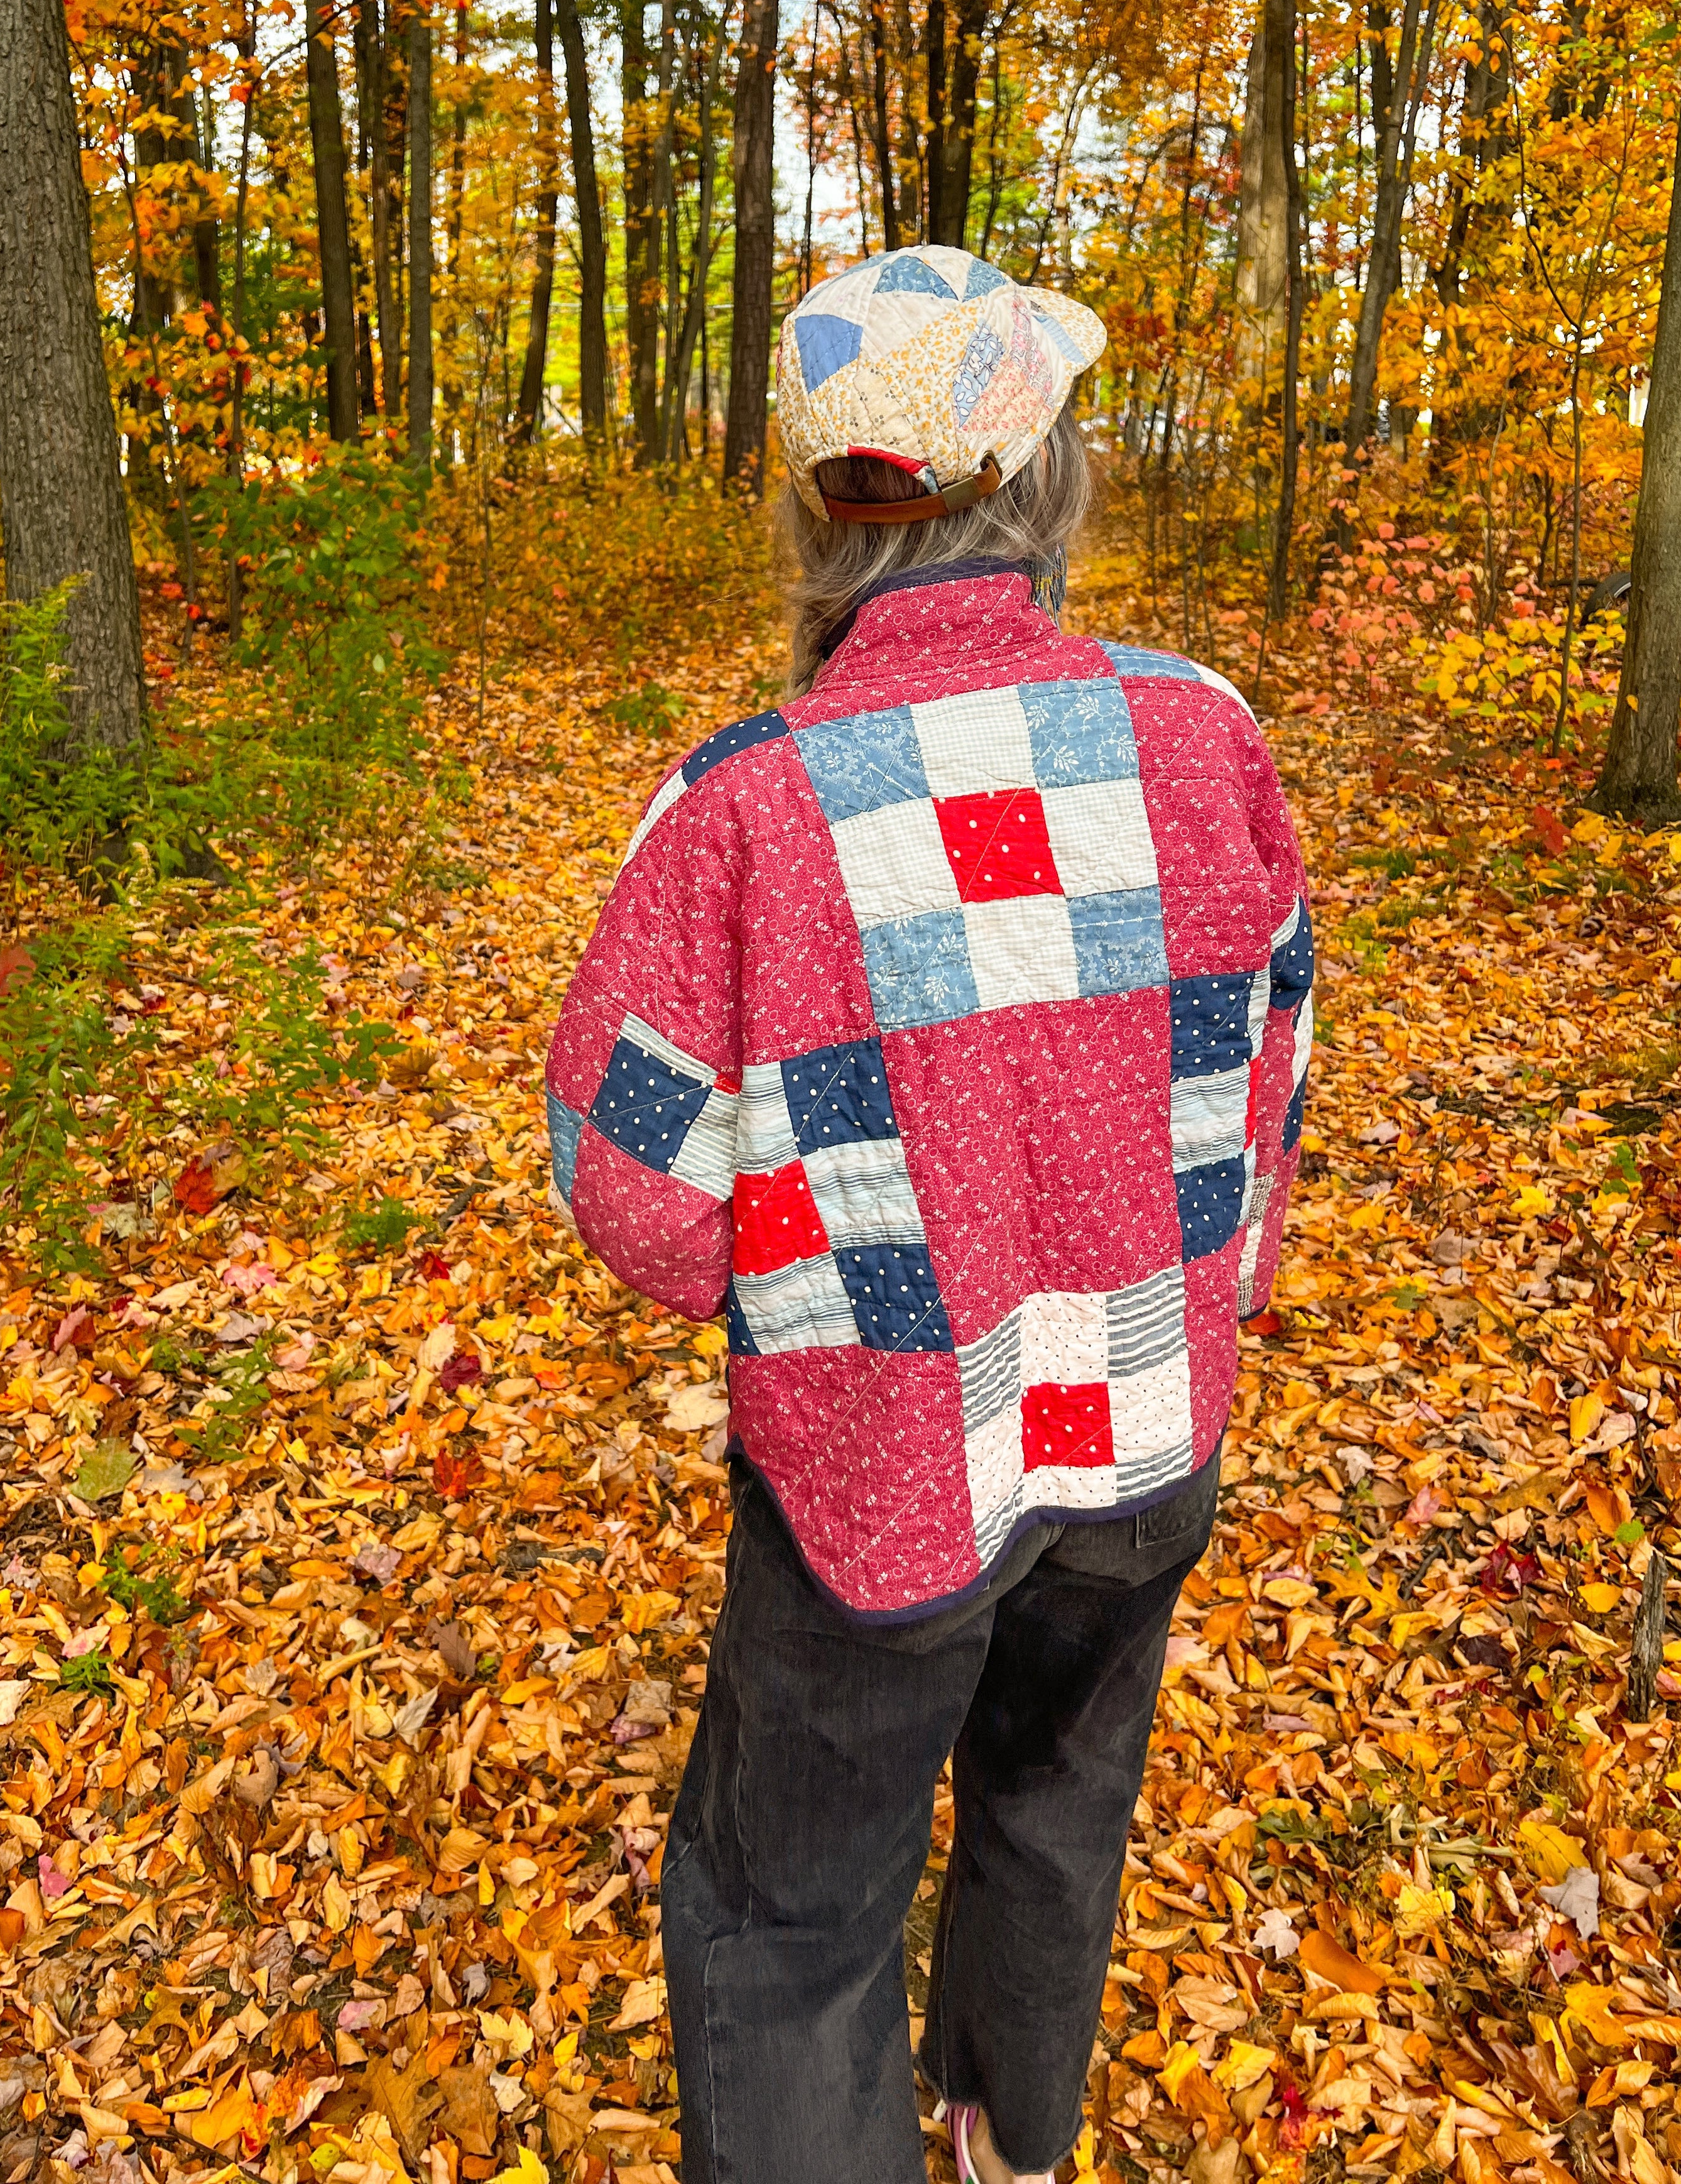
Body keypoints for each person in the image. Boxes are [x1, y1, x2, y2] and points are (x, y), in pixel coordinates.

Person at [545, 247, 1313, 2184]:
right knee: (1057, 1811)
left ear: (822, 512)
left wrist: (848, 1279)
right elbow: (1270, 1062)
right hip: (1147, 1433)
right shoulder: (1203, 731)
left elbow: (628, 1177)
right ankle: (1005, 2149)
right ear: (1044, 483)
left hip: (881, 1472)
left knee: (792, 1920)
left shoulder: (745, 805)